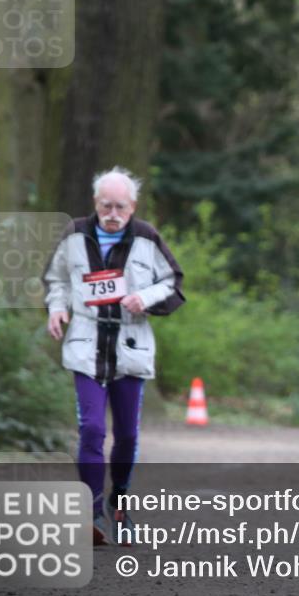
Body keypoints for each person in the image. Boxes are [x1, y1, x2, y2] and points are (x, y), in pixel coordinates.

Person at [43, 166, 184, 545]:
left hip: (130, 344)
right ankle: (90, 511)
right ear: (95, 203)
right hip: (86, 343)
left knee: (126, 434)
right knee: (91, 429)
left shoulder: (145, 236)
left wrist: (146, 299)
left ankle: (120, 504)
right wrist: (57, 308)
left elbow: (173, 282)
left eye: (120, 206)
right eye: (106, 205)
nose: (113, 213)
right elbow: (55, 279)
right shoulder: (74, 233)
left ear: (132, 206)